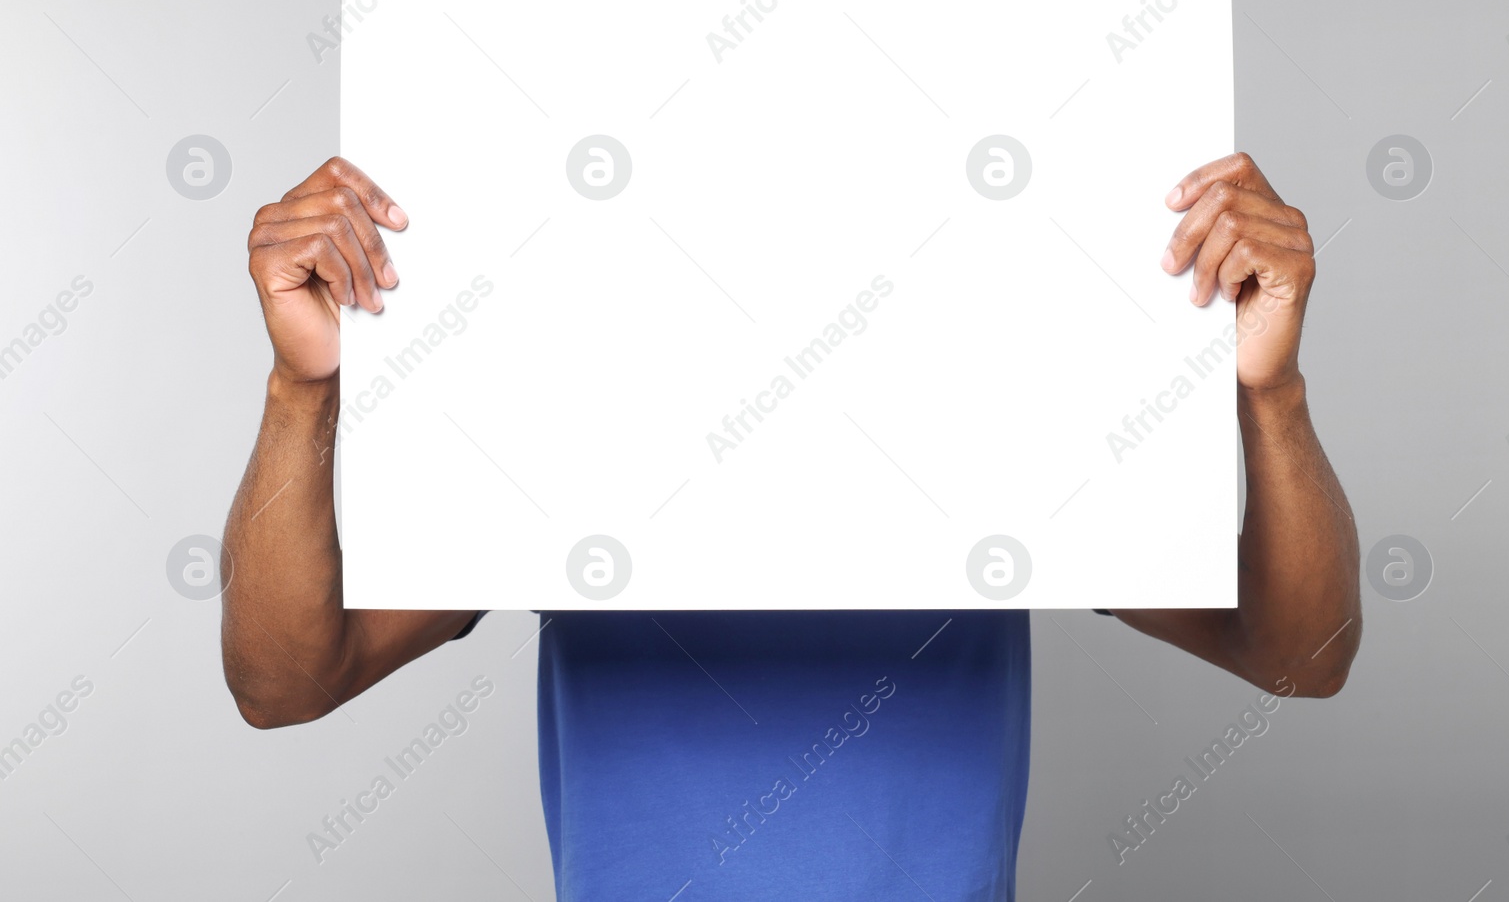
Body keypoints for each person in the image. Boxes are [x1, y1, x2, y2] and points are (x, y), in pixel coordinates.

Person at [221, 151, 1360, 900]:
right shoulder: (568, 423)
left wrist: (1271, 390)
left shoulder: (997, 425)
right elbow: (282, 679)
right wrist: (302, 388)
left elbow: (1302, 655)